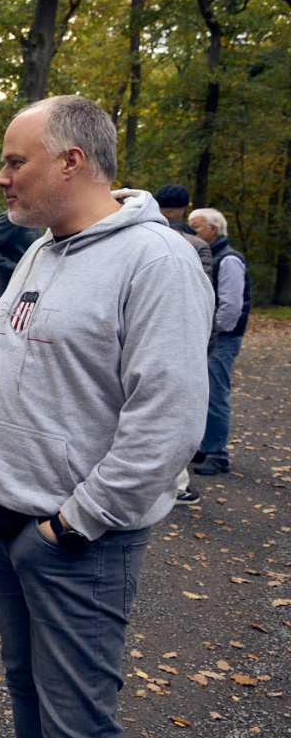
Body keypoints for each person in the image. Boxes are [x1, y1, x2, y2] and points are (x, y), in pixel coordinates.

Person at [0, 96, 212, 738]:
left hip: (79, 544)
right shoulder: (39, 251)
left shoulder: (157, 262)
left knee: (77, 727)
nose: (1, 178)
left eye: (15, 162)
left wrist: (71, 525)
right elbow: (12, 370)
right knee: (26, 689)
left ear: (71, 161)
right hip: (3, 524)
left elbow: (168, 422)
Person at [154, 184, 214, 506]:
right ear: (186, 208)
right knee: (174, 410)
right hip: (184, 337)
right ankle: (175, 486)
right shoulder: (196, 244)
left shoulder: (138, 236)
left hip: (146, 333)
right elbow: (204, 297)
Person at [188, 206, 250, 477]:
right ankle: (205, 446)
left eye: (195, 226)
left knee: (216, 394)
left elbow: (231, 306)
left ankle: (217, 453)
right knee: (204, 392)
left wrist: (210, 332)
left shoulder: (229, 259)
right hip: (212, 336)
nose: (191, 231)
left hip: (222, 338)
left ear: (213, 230)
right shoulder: (211, 255)